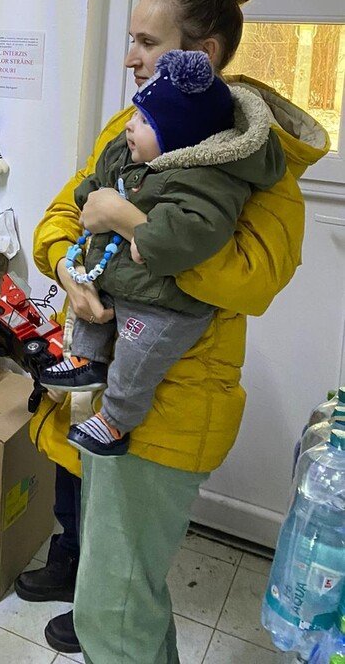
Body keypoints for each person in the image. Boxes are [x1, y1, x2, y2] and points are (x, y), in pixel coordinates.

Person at [30, 0, 330, 661]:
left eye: (147, 41)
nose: (130, 58)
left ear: (204, 54)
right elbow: (63, 214)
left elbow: (253, 280)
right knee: (124, 599)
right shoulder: (132, 125)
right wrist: (71, 270)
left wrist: (136, 227)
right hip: (112, 387)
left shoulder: (255, 160)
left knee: (115, 613)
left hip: (172, 406)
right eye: (130, 38)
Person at [39, 48, 285, 457]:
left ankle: (115, 420)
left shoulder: (206, 178)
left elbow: (197, 232)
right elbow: (93, 181)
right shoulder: (132, 149)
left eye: (144, 121)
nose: (130, 125)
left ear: (178, 139)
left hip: (166, 306)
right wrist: (90, 199)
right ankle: (86, 360)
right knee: (91, 303)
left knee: (137, 359)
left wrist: (134, 227)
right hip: (124, 281)